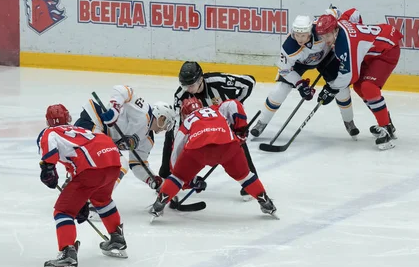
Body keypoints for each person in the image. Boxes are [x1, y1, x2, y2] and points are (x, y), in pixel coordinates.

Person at [149, 98, 277, 219]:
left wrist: (187, 181)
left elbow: (176, 151)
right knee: (245, 176)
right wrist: (240, 130)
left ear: (184, 114)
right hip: (228, 145)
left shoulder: (187, 122)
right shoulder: (216, 110)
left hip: (198, 149)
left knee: (178, 177)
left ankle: (160, 203)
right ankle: (265, 201)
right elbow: (234, 104)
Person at [38, 104, 128, 267]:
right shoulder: (79, 129)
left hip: (92, 167)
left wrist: (48, 168)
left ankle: (67, 255)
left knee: (63, 210)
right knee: (102, 199)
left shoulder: (50, 132)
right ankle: (117, 238)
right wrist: (82, 200)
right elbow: (77, 165)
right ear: (68, 117)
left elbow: (49, 151)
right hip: (112, 159)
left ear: (48, 121)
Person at [251, 9, 362, 140]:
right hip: (299, 64)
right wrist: (300, 84)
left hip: (326, 58)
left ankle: (349, 121)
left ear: (310, 31)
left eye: (303, 35)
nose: (300, 38)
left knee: (341, 89)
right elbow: (285, 70)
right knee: (279, 90)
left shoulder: (321, 29)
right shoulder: (289, 47)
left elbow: (336, 12)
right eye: (297, 34)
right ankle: (261, 122)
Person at [159, 61, 256, 200]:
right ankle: (166, 175)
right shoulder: (181, 95)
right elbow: (177, 125)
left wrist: (236, 103)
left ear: (200, 80)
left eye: (190, 85)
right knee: (170, 134)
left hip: (223, 123)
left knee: (238, 142)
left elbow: (249, 81)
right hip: (200, 128)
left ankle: (250, 180)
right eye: (183, 85)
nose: (187, 89)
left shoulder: (218, 81)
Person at [314, 14, 403, 150]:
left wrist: (331, 89)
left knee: (368, 86)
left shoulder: (346, 44)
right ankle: (386, 122)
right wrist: (359, 29)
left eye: (327, 36)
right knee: (359, 87)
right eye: (322, 36)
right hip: (374, 50)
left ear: (336, 30)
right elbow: (353, 12)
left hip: (388, 50)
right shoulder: (341, 23)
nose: (325, 40)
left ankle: (386, 128)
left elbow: (351, 76)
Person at [75, 85, 175, 193]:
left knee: (109, 161)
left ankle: (81, 186)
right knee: (119, 163)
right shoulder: (143, 110)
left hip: (100, 137)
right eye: (166, 124)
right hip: (92, 122)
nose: (165, 128)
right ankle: (98, 197)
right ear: (162, 118)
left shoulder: (148, 140)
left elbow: (137, 164)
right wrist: (115, 109)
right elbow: (122, 89)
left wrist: (153, 180)